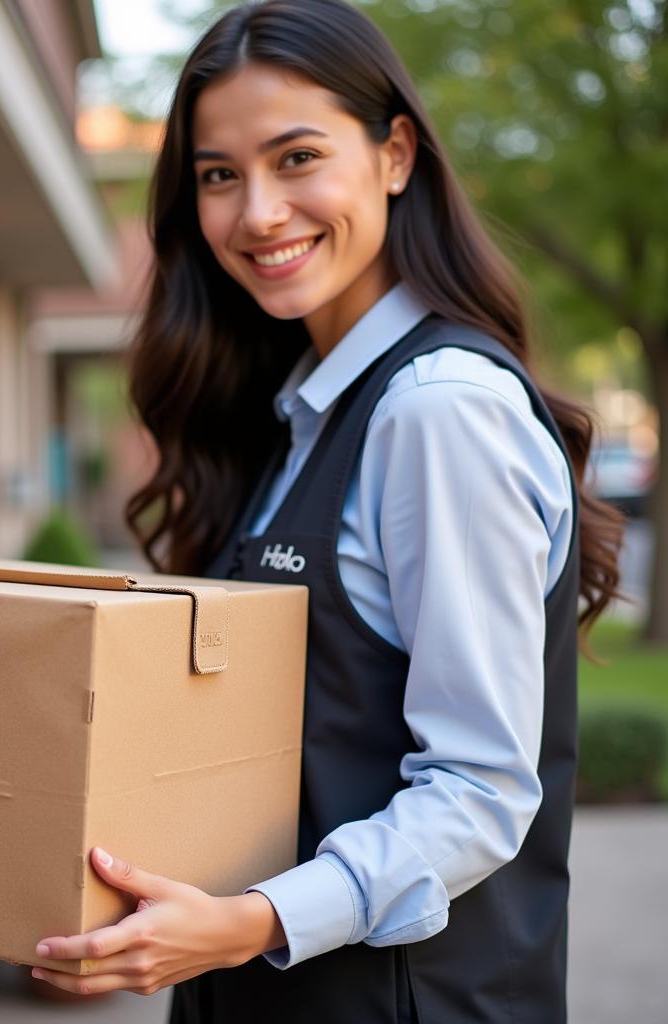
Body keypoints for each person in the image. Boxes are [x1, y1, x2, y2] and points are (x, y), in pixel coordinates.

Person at [30, 1, 623, 1020]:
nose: (256, 212)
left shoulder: (436, 412)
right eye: (218, 175)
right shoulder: (298, 413)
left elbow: (478, 795)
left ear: (394, 154)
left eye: (295, 157)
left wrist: (250, 920)